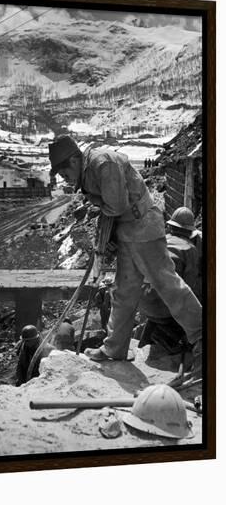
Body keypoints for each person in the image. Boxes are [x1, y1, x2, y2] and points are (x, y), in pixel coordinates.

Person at [48, 135, 202, 367]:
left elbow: (116, 205)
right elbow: (113, 209)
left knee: (166, 284)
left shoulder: (103, 163)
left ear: (73, 161)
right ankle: (115, 348)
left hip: (144, 229)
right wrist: (108, 236)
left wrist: (103, 229)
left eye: (64, 174)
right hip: (129, 232)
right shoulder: (89, 168)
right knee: (124, 292)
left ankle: (204, 337)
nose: (66, 180)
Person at [138, 207, 200, 353]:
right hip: (164, 311)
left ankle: (146, 342)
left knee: (159, 298)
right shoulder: (189, 249)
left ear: (169, 227)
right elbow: (189, 287)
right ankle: (178, 345)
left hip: (141, 302)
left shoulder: (157, 242)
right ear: (190, 231)